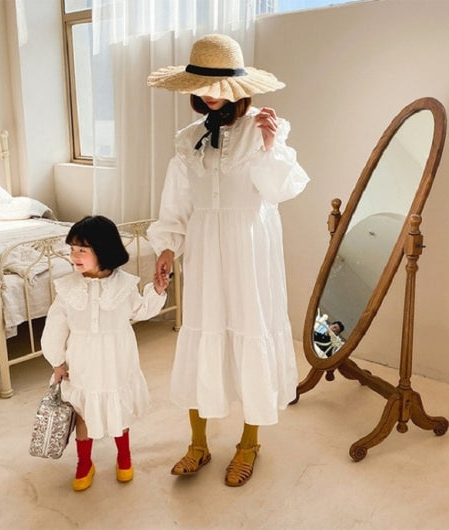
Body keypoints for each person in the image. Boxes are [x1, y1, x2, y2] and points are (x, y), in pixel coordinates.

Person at [147, 33, 310, 487]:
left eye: (217, 85)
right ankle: (197, 444)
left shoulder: (264, 127)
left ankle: (249, 443)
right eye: (201, 86)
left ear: (238, 87)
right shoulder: (187, 140)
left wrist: (272, 146)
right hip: (204, 248)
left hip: (249, 248)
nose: (209, 94)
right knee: (203, 332)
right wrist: (167, 247)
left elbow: (280, 191)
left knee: (249, 329)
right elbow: (177, 204)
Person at [41, 215, 168, 492]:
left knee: (118, 409)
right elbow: (55, 326)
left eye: (81, 250)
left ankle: (124, 456)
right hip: (82, 362)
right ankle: (84, 463)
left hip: (117, 360)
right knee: (83, 413)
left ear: (104, 250)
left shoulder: (124, 285)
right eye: (72, 249)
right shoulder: (67, 288)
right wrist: (57, 362)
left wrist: (157, 291)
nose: (73, 256)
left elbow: (141, 310)